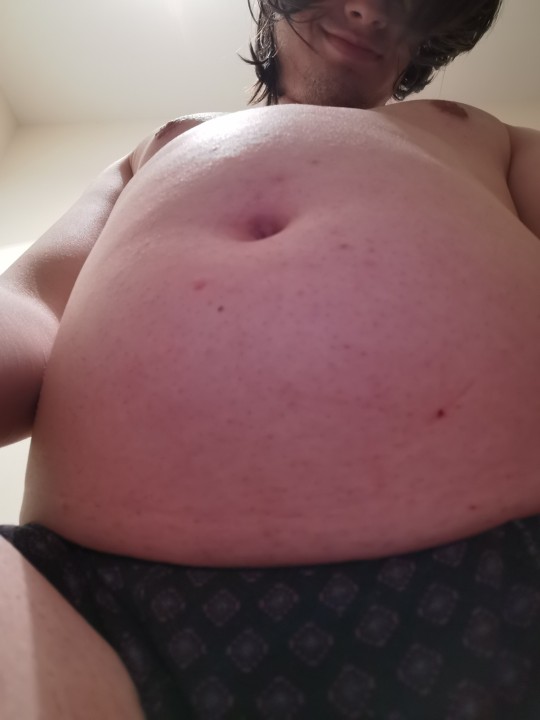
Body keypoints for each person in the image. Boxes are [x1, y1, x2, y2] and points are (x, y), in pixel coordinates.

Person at [1, 0, 540, 717]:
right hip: (78, 607)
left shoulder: (479, 132)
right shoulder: (162, 143)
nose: (371, 10)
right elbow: (31, 303)